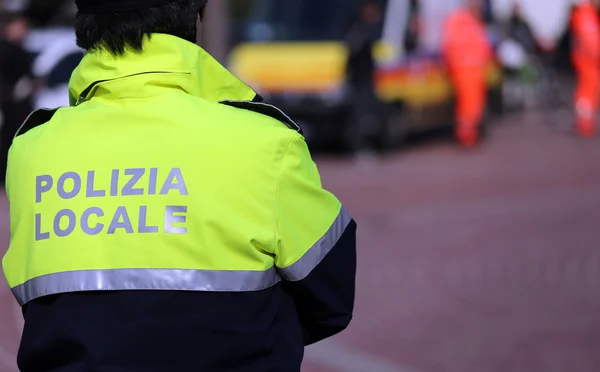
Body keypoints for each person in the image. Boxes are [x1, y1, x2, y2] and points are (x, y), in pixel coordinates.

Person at [2, 1, 357, 371]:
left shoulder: (32, 150)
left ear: (85, 24)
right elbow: (331, 300)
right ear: (196, 16)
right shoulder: (265, 143)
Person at [441, 0, 494, 147]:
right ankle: (466, 136)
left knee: (473, 103)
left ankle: (469, 134)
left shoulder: (472, 21)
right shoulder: (459, 20)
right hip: (464, 69)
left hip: (474, 70)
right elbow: (451, 46)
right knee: (468, 104)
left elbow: (483, 45)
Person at [344, 0, 384, 155]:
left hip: (368, 82)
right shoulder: (358, 32)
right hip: (359, 83)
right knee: (360, 118)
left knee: (369, 117)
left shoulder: (370, 32)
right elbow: (350, 56)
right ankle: (359, 148)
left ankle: (367, 147)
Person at [0, 11, 33, 183]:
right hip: (7, 105)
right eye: (20, 27)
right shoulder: (7, 49)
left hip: (17, 105)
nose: (24, 31)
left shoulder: (20, 49)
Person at [570, 0, 600, 137]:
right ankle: (584, 122)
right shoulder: (585, 13)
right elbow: (590, 40)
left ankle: (586, 121)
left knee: (589, 87)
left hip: (588, 60)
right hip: (587, 59)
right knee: (588, 89)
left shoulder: (588, 12)